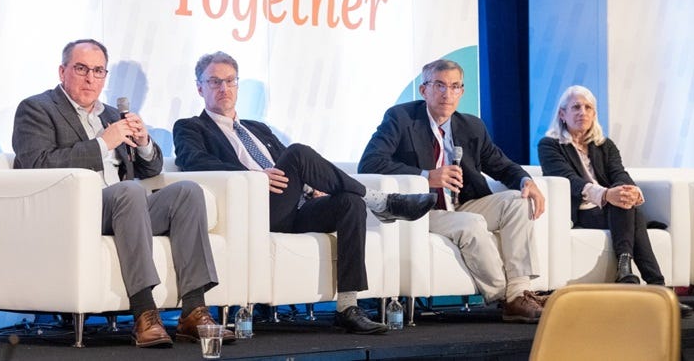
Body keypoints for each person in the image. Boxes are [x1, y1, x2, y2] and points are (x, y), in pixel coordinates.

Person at [173, 51, 437, 335]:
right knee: (298, 153)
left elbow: (286, 167)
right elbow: (194, 161)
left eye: (230, 81)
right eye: (214, 82)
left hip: (290, 208)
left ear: (238, 85)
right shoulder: (190, 127)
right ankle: (381, 202)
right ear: (200, 87)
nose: (223, 88)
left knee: (349, 203)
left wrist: (312, 188)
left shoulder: (257, 128)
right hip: (253, 210)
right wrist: (252, 177)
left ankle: (347, 307)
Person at [12, 39, 234, 348]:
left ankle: (193, 312)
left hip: (127, 210)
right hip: (75, 210)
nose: (90, 78)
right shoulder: (37, 108)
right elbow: (37, 163)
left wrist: (143, 142)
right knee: (129, 191)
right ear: (63, 71)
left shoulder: (113, 115)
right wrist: (103, 143)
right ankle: (145, 314)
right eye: (81, 69)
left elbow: (152, 168)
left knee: (187, 192)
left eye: (98, 70)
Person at [358, 59, 547, 323]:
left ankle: (519, 293)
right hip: (425, 208)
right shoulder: (401, 118)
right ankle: (507, 298)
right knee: (471, 223)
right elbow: (370, 162)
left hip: (463, 203)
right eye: (439, 85)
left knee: (518, 201)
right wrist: (426, 177)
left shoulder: (472, 126)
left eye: (454, 86)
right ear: (424, 90)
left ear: (462, 92)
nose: (447, 93)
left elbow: (501, 165)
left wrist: (526, 181)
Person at [537, 85, 692, 317]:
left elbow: (619, 173)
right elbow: (568, 180)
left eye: (588, 107)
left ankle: (627, 270)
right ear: (562, 114)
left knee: (626, 204)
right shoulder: (549, 145)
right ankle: (660, 290)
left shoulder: (604, 145)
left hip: (612, 209)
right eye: (576, 107)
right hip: (580, 211)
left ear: (594, 114)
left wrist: (630, 191)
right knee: (623, 206)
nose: (583, 112)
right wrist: (606, 195)